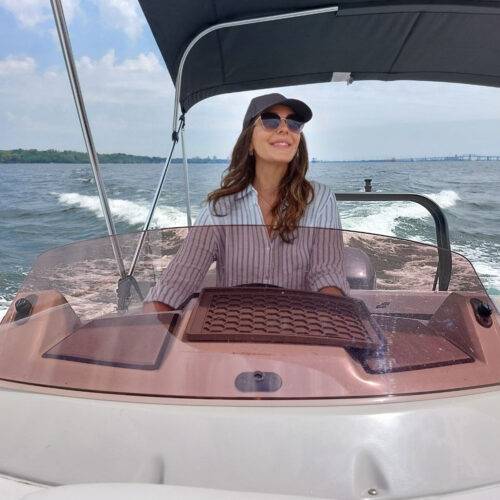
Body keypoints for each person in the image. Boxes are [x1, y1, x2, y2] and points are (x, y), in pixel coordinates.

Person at [144, 93, 349, 312]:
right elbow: (176, 283)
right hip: (234, 330)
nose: (284, 128)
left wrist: (331, 320)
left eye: (294, 123)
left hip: (300, 328)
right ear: (249, 143)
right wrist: (149, 329)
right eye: (270, 121)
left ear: (298, 141)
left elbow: (327, 275)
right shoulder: (219, 209)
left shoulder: (320, 199)